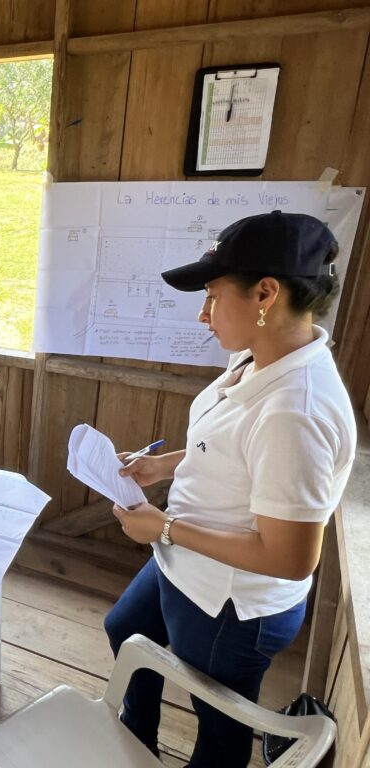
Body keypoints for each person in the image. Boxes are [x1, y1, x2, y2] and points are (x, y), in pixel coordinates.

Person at [104, 210, 357, 767]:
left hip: (231, 604)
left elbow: (291, 558)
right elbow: (229, 449)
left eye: (213, 296)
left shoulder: (297, 410)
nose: (202, 314)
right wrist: (164, 466)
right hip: (186, 559)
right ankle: (135, 740)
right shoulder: (258, 358)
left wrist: (165, 525)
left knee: (219, 731)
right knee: (124, 629)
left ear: (266, 293)